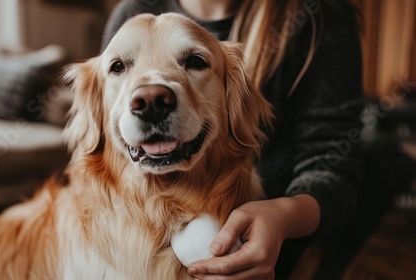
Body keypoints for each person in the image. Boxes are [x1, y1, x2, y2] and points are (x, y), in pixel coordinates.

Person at [101, 0, 364, 279]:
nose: (150, 100)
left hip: (274, 239)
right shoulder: (133, 10)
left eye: (195, 62)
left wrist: (283, 217)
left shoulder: (318, 15)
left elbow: (332, 165)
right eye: (119, 67)